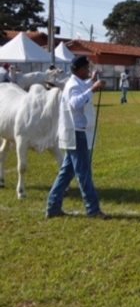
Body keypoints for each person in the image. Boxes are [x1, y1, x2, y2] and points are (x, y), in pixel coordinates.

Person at [45, 55, 109, 219]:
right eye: (87, 68)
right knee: (84, 174)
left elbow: (81, 89)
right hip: (77, 134)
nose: (89, 70)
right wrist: (93, 88)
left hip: (75, 133)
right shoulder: (73, 85)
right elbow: (75, 102)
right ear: (80, 70)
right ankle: (93, 209)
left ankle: (53, 206)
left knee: (66, 173)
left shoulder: (75, 82)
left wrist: (90, 83)